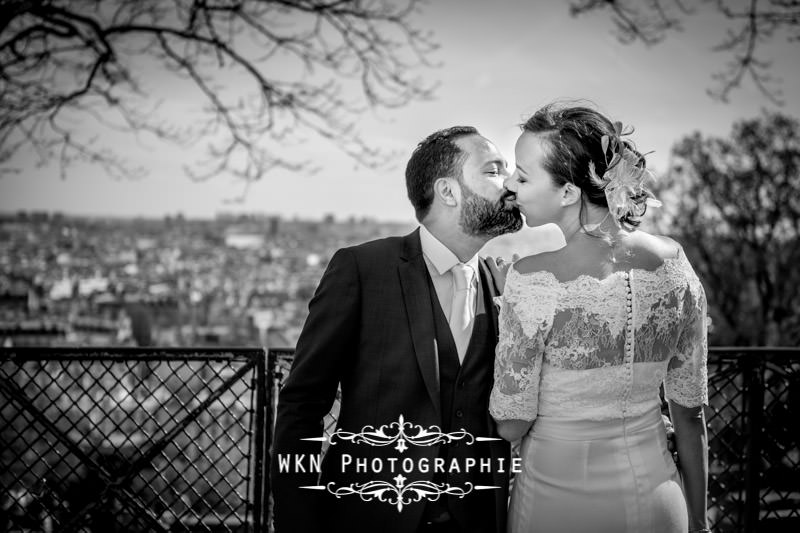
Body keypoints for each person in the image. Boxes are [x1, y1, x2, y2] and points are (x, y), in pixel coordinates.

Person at [271, 126, 523, 533]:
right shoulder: (362, 270)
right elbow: (302, 406)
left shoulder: (506, 285)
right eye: (494, 171)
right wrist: (299, 521)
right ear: (448, 191)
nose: (511, 183)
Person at [489, 104, 709, 533]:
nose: (510, 185)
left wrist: (507, 309)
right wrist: (699, 521)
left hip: (557, 504)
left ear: (569, 193)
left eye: (522, 174)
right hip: (659, 503)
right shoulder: (674, 264)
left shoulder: (532, 279)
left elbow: (511, 423)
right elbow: (690, 413)